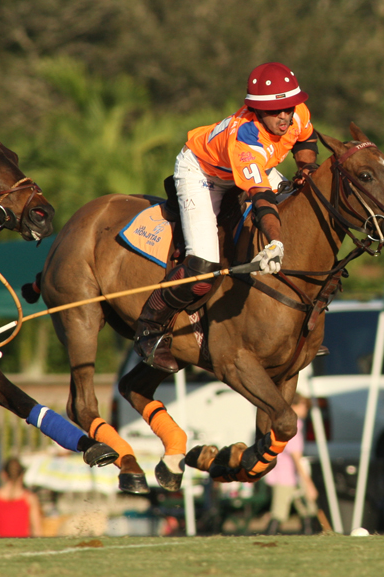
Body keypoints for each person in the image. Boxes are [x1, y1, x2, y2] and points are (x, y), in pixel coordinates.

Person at [134, 62, 319, 373]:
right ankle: (150, 328)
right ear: (258, 111)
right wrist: (275, 241)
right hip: (204, 174)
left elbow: (307, 141)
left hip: (255, 169)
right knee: (203, 264)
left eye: (287, 108)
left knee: (301, 210)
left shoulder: (295, 113)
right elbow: (261, 199)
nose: (285, 116)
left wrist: (306, 170)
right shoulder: (245, 138)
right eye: (276, 111)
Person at [264, 393, 319, 535]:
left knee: (305, 508)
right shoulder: (292, 427)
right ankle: (268, 537)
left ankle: (309, 532)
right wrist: (309, 484)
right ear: (294, 406)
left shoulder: (282, 424)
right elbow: (296, 457)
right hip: (285, 475)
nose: (306, 410)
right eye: (304, 406)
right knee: (279, 511)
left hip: (288, 474)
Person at [0, 456, 43, 538]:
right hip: (23, 547)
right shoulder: (30, 499)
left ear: (3, 475)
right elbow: (37, 531)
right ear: (22, 475)